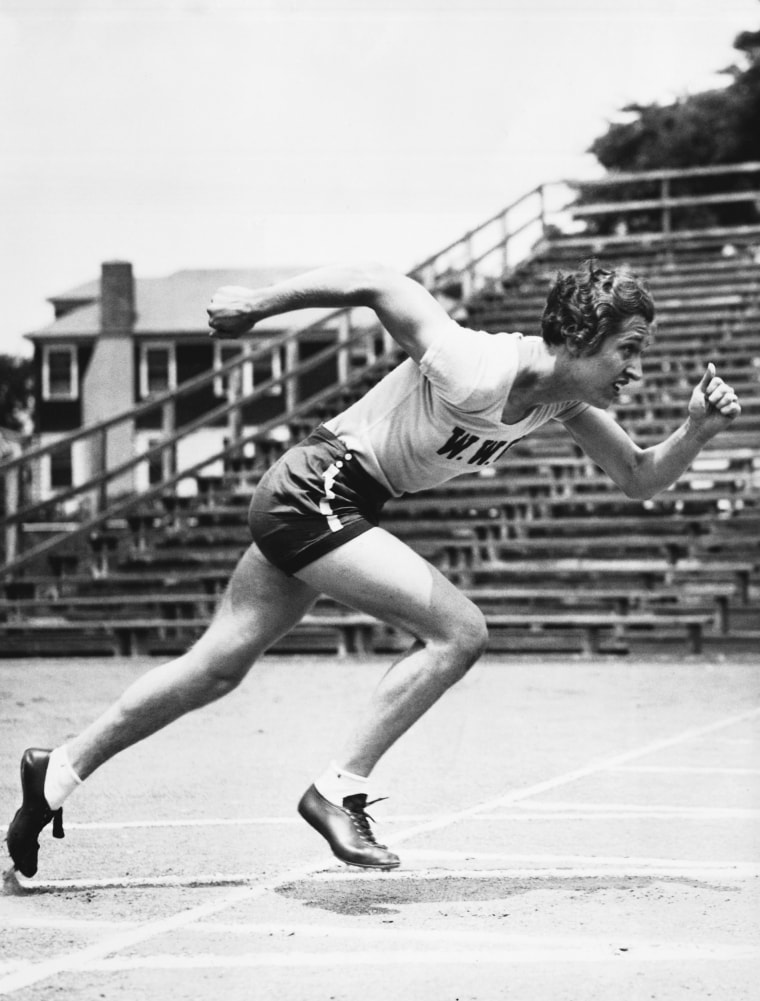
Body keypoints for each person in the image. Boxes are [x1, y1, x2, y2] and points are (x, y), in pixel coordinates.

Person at [6, 259, 742, 877]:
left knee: (215, 666)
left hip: (332, 494)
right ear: (579, 337)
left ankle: (57, 770)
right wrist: (257, 306)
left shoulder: (558, 403)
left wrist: (698, 428)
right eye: (628, 349)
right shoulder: (474, 363)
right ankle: (338, 789)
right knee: (460, 630)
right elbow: (380, 283)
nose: (638, 369)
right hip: (319, 485)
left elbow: (641, 477)